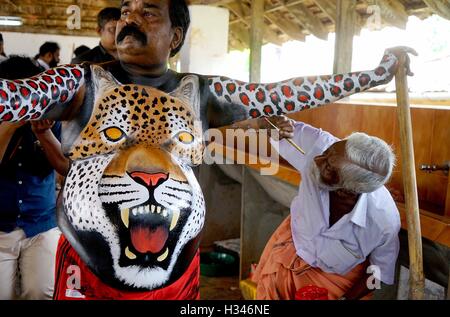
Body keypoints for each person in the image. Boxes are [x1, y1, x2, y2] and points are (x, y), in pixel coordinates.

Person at [0, 0, 415, 300]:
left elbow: (284, 93)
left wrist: (375, 76)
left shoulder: (201, 91)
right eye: (126, 10)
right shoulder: (79, 83)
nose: (130, 18)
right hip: (88, 273)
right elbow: (13, 96)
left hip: (175, 273)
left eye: (148, 12)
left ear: (175, 36)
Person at [251, 116, 401, 300]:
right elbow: (275, 125)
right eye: (327, 152)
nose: (317, 160)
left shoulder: (383, 221)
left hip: (332, 283)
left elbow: (377, 273)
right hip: (291, 249)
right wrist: (273, 124)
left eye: (328, 167)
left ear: (347, 191)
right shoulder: (320, 146)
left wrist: (347, 298)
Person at [0, 56, 68, 299]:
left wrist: (45, 134)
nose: (24, 102)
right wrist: (10, 124)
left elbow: (65, 167)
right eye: (15, 95)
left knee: (40, 291)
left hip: (41, 223)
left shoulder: (50, 116)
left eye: (28, 93)